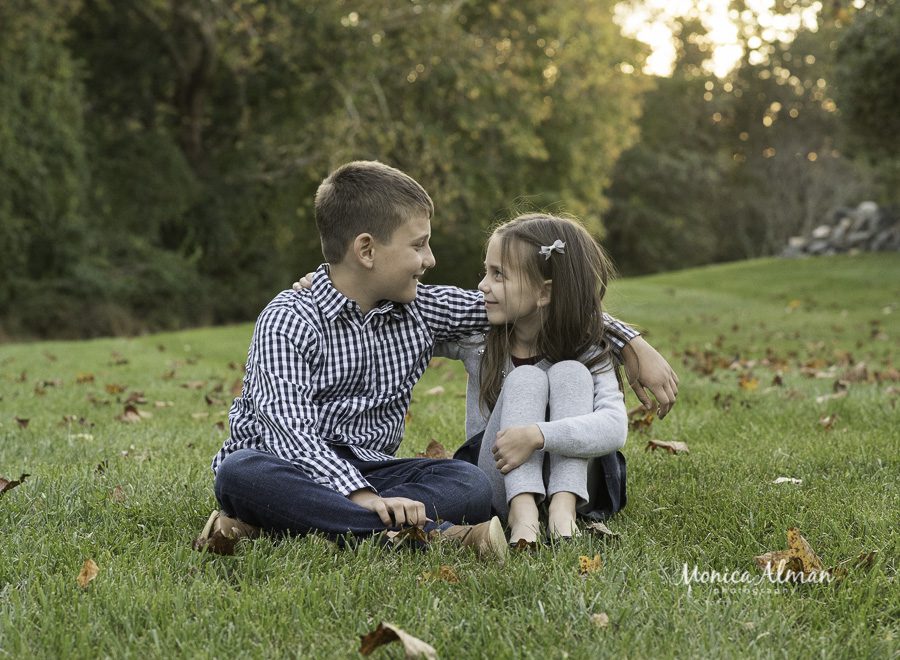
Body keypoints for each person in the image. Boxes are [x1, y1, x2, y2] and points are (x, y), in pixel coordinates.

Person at [198, 161, 675, 558]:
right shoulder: (289, 319)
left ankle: (280, 526)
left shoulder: (422, 309)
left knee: (467, 483)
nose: (430, 260)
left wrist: (631, 342)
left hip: (376, 468)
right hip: (289, 466)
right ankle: (431, 535)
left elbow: (535, 301)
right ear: (366, 250)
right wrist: (364, 499)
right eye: (418, 244)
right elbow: (290, 432)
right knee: (240, 472)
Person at [436, 213, 632, 546]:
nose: (483, 285)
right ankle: (522, 511)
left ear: (544, 293)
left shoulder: (588, 349)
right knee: (526, 378)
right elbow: (406, 321)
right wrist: (328, 285)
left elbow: (615, 427)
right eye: (486, 271)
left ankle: (563, 507)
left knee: (571, 372)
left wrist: (538, 435)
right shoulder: (478, 339)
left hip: (578, 482)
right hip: (499, 474)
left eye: (498, 274)